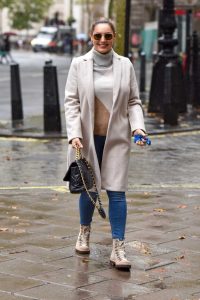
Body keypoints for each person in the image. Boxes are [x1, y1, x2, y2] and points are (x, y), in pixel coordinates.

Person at [64, 18, 147, 270]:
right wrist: (74, 133)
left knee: (117, 192)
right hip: (86, 139)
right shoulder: (79, 64)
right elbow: (71, 102)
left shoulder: (125, 65)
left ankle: (118, 248)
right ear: (91, 37)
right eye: (98, 36)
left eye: (107, 36)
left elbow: (133, 101)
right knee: (90, 188)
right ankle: (84, 231)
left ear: (114, 37)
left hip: (118, 138)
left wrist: (138, 127)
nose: (102, 41)